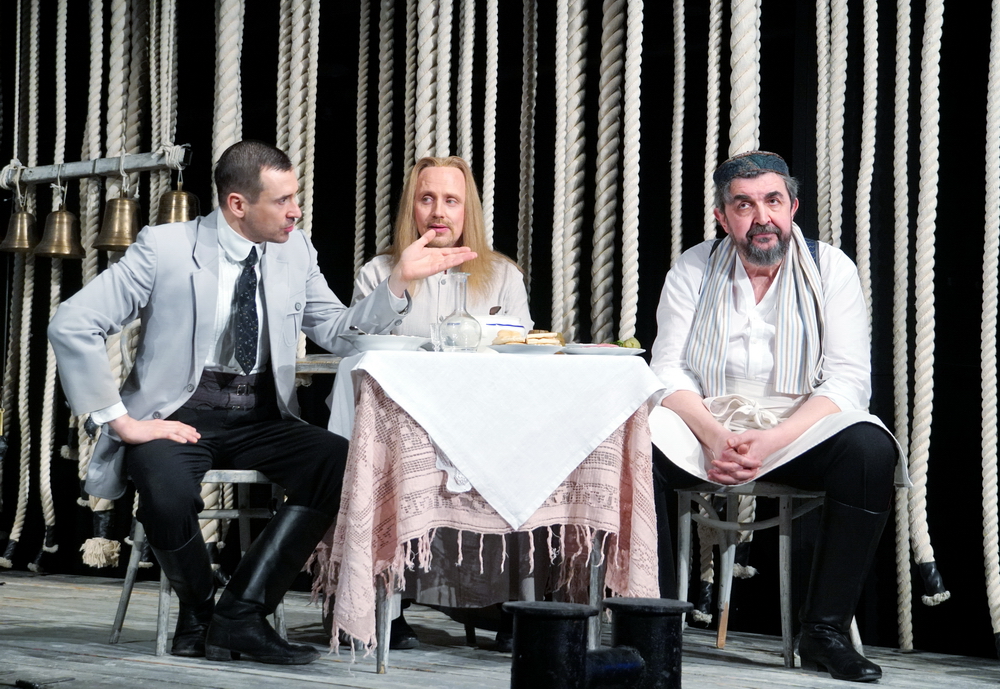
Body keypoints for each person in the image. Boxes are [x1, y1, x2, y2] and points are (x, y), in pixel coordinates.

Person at [48, 140, 474, 665]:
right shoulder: (164, 248)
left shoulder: (295, 250)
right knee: (165, 492)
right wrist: (122, 422)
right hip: (178, 415)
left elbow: (338, 332)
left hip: (260, 414)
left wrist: (399, 282)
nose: (296, 211)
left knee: (338, 463)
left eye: (296, 197)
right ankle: (204, 613)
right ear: (238, 204)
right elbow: (73, 323)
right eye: (283, 200)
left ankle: (240, 615)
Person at [648, 151, 905, 683]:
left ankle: (824, 631)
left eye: (772, 201)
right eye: (744, 205)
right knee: (634, 440)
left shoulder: (831, 268)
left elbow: (848, 380)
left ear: (792, 208)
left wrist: (772, 440)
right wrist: (715, 435)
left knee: (869, 449)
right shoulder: (693, 266)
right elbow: (668, 370)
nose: (761, 216)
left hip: (798, 428)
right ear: (723, 217)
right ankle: (654, 623)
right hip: (708, 424)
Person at [352, 155, 532, 335]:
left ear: (467, 210)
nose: (438, 212)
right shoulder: (376, 273)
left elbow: (523, 348)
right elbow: (352, 342)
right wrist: (397, 282)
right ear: (411, 208)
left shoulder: (505, 277)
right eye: (427, 199)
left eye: (451, 200)